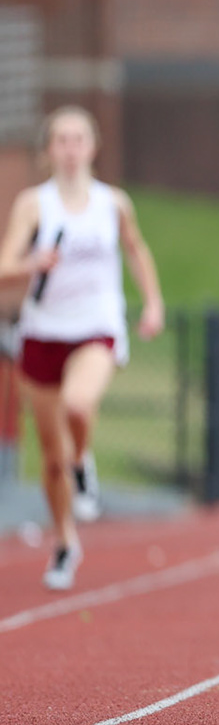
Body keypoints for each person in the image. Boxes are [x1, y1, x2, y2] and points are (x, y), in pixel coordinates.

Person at [0, 107, 165, 590]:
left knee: (78, 403)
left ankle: (83, 460)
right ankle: (65, 540)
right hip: (43, 332)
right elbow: (5, 265)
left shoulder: (113, 203)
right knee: (51, 458)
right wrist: (32, 262)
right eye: (62, 140)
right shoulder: (34, 204)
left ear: (93, 148)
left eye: (78, 139)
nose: (70, 149)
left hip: (96, 326)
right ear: (48, 151)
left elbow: (136, 249)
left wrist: (153, 303)